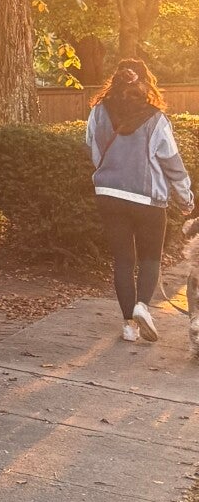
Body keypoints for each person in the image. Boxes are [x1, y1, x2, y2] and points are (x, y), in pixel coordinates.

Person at [86, 60, 193, 343]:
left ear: (116, 80)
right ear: (146, 83)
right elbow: (172, 162)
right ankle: (142, 306)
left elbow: (93, 149)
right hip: (148, 199)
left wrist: (110, 174)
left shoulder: (98, 112)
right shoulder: (156, 119)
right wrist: (186, 198)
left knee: (123, 260)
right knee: (150, 258)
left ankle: (128, 326)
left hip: (109, 195)